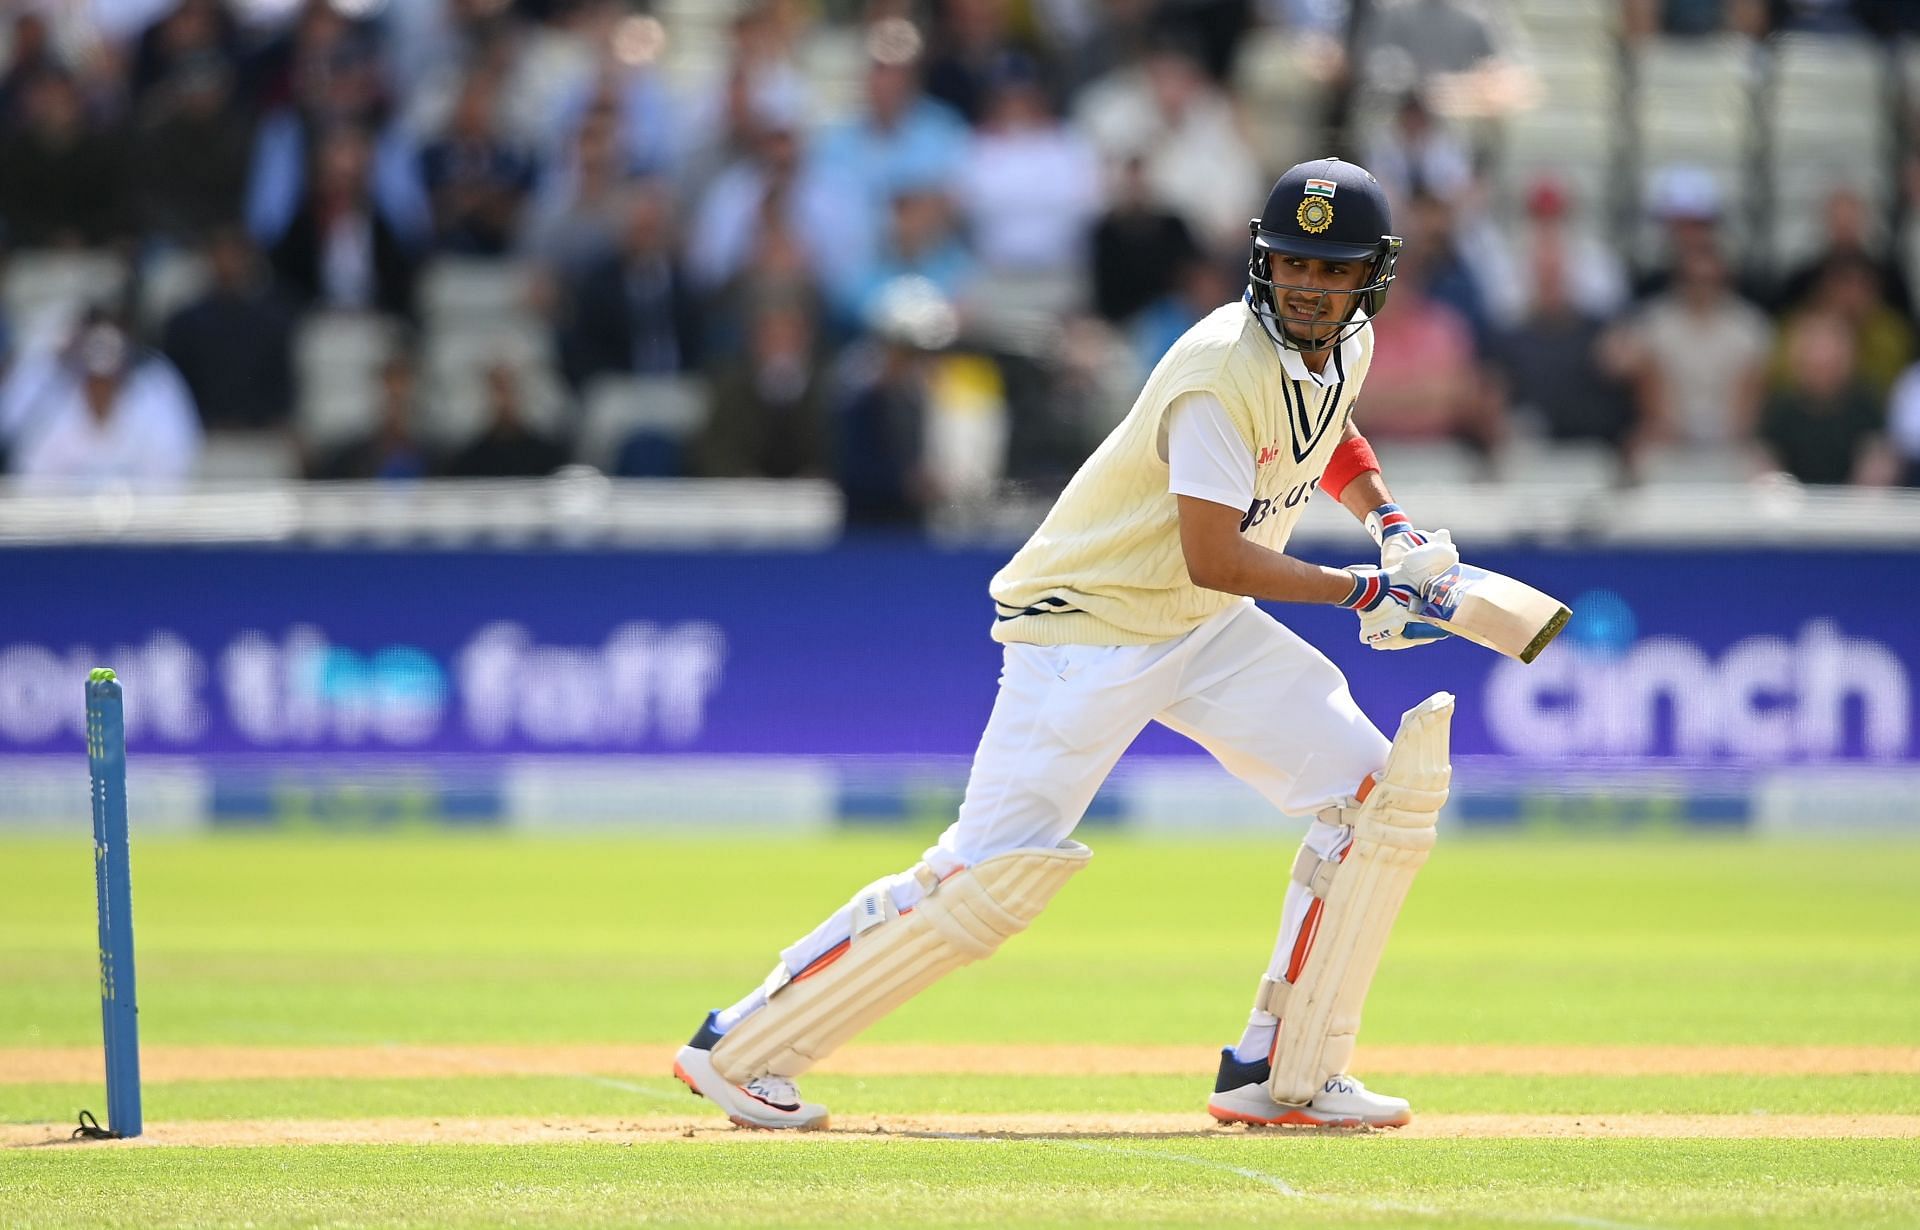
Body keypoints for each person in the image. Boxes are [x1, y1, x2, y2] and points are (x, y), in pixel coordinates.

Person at [674, 158, 1462, 1131]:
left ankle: (1285, 1073)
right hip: (1090, 629)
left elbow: (1323, 431)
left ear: (1367, 282)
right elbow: (1217, 556)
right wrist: (1366, 590)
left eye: (1332, 270)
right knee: (988, 879)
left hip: (1196, 627)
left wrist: (1390, 521)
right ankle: (741, 1046)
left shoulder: (1346, 345)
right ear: (1263, 262)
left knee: (1379, 798)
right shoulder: (1220, 372)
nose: (1308, 285)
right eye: (1293, 263)